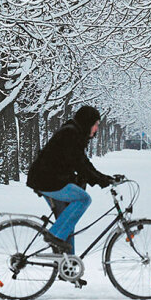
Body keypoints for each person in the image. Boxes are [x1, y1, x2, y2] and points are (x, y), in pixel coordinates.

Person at [26, 105, 117, 256]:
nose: (96, 129)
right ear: (87, 122)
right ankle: (53, 235)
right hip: (48, 180)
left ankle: (68, 267)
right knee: (83, 199)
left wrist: (103, 178)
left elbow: (84, 162)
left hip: (51, 179)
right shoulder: (70, 134)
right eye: (95, 124)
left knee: (67, 222)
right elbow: (79, 164)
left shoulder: (75, 133)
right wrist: (101, 180)